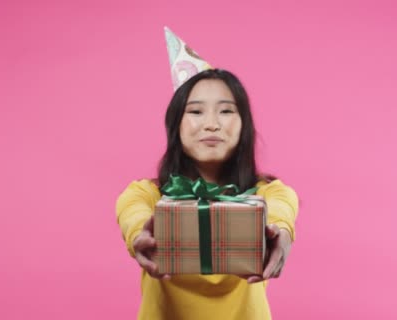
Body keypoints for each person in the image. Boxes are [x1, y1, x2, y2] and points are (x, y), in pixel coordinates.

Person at [115, 68, 299, 319]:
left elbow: (282, 207)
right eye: (195, 111)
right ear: (175, 123)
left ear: (244, 124)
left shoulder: (266, 193)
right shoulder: (147, 194)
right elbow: (132, 213)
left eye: (226, 111)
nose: (211, 124)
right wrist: (140, 236)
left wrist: (281, 233)